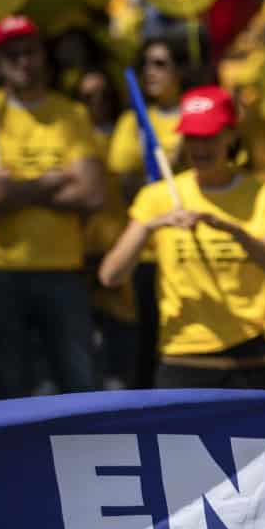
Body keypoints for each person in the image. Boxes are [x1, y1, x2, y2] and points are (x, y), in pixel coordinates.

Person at [0, 16, 105, 398]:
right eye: (12, 54)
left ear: (44, 56)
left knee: (79, 385)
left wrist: (12, 189)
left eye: (30, 51)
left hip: (61, 268)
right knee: (10, 386)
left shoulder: (72, 115)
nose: (23, 62)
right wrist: (51, 180)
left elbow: (93, 194)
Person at [98, 86, 265, 389]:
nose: (200, 147)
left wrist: (235, 231)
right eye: (192, 137)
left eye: (209, 136)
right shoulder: (157, 197)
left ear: (230, 135)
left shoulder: (259, 193)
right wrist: (149, 227)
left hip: (250, 354)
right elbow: (111, 276)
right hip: (183, 356)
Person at [107, 36, 193, 387]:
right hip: (149, 249)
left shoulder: (196, 114)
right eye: (146, 64)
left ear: (181, 70)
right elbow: (124, 179)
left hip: (188, 246)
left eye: (161, 64)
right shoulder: (134, 121)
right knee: (143, 341)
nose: (151, 73)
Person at [77, 69, 138, 389]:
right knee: (82, 325)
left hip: (118, 240)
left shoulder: (125, 132)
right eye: (87, 97)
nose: (96, 102)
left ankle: (120, 383)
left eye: (103, 95)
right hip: (78, 246)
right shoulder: (72, 134)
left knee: (122, 321)